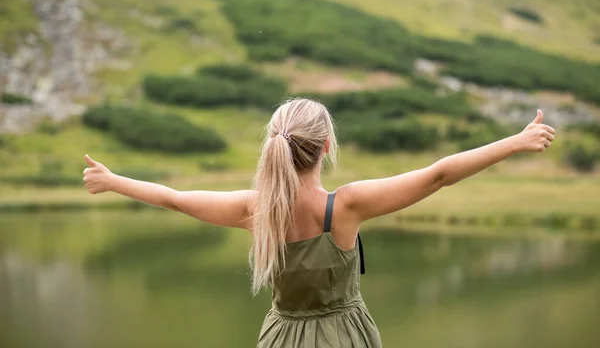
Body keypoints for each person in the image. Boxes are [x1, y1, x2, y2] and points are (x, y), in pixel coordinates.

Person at [83, 98, 555, 347]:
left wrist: (112, 180)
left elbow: (175, 199)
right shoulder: (345, 207)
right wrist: (513, 142)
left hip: (280, 338)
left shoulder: (258, 209)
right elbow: (439, 174)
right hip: (345, 338)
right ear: (326, 148)